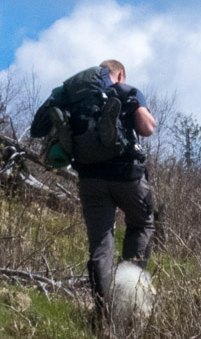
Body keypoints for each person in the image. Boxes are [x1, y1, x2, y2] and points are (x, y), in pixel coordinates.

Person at [64, 60, 157, 314]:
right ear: (121, 74)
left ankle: (104, 311)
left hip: (89, 178)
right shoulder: (126, 91)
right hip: (126, 175)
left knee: (101, 244)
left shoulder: (77, 97)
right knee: (142, 224)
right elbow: (147, 128)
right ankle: (130, 297)